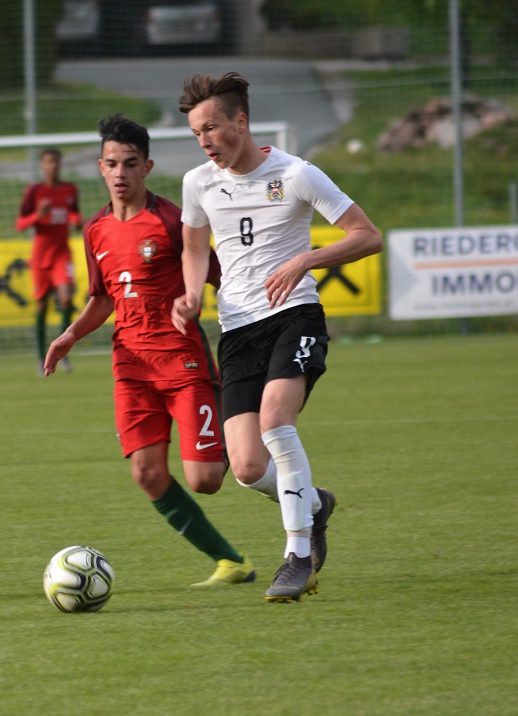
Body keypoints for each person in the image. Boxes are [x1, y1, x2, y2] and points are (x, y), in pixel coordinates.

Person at [172, 72, 383, 602]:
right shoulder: (198, 182)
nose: (205, 141)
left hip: (295, 317)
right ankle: (313, 503)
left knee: (275, 420)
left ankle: (297, 553)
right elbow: (195, 248)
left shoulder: (296, 174)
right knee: (244, 467)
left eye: (212, 128)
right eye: (197, 132)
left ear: (241, 122)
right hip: (238, 330)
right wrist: (192, 294)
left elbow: (368, 236)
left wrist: (307, 258)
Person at [44, 113, 255, 589]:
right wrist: (71, 335)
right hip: (130, 367)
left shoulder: (172, 222)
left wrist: (193, 298)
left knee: (206, 479)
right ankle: (230, 560)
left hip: (182, 361)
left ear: (148, 167)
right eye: (112, 164)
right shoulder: (95, 229)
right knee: (146, 472)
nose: (121, 173)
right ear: (100, 167)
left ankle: (242, 423)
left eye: (130, 164)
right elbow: (102, 298)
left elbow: (221, 273)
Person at [16, 148, 82, 375]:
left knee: (65, 300)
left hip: (62, 255)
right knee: (42, 304)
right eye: (48, 162)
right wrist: (38, 215)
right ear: (42, 166)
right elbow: (21, 225)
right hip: (40, 257)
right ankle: (40, 356)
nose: (53, 166)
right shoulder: (34, 191)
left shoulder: (69, 190)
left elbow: (73, 213)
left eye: (56, 162)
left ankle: (62, 354)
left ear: (60, 165)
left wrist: (76, 221)